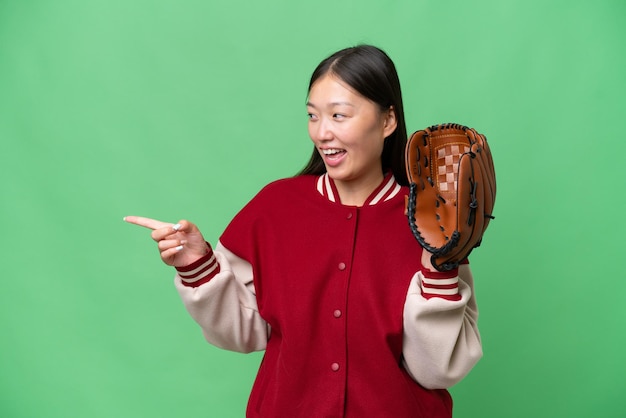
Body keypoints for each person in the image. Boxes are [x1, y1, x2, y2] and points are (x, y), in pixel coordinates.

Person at [125, 45, 482, 418]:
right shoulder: (275, 207)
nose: (323, 132)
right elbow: (244, 333)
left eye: (339, 115)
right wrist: (198, 267)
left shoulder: (432, 220)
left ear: (388, 120)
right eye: (313, 116)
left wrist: (439, 270)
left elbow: (437, 369)